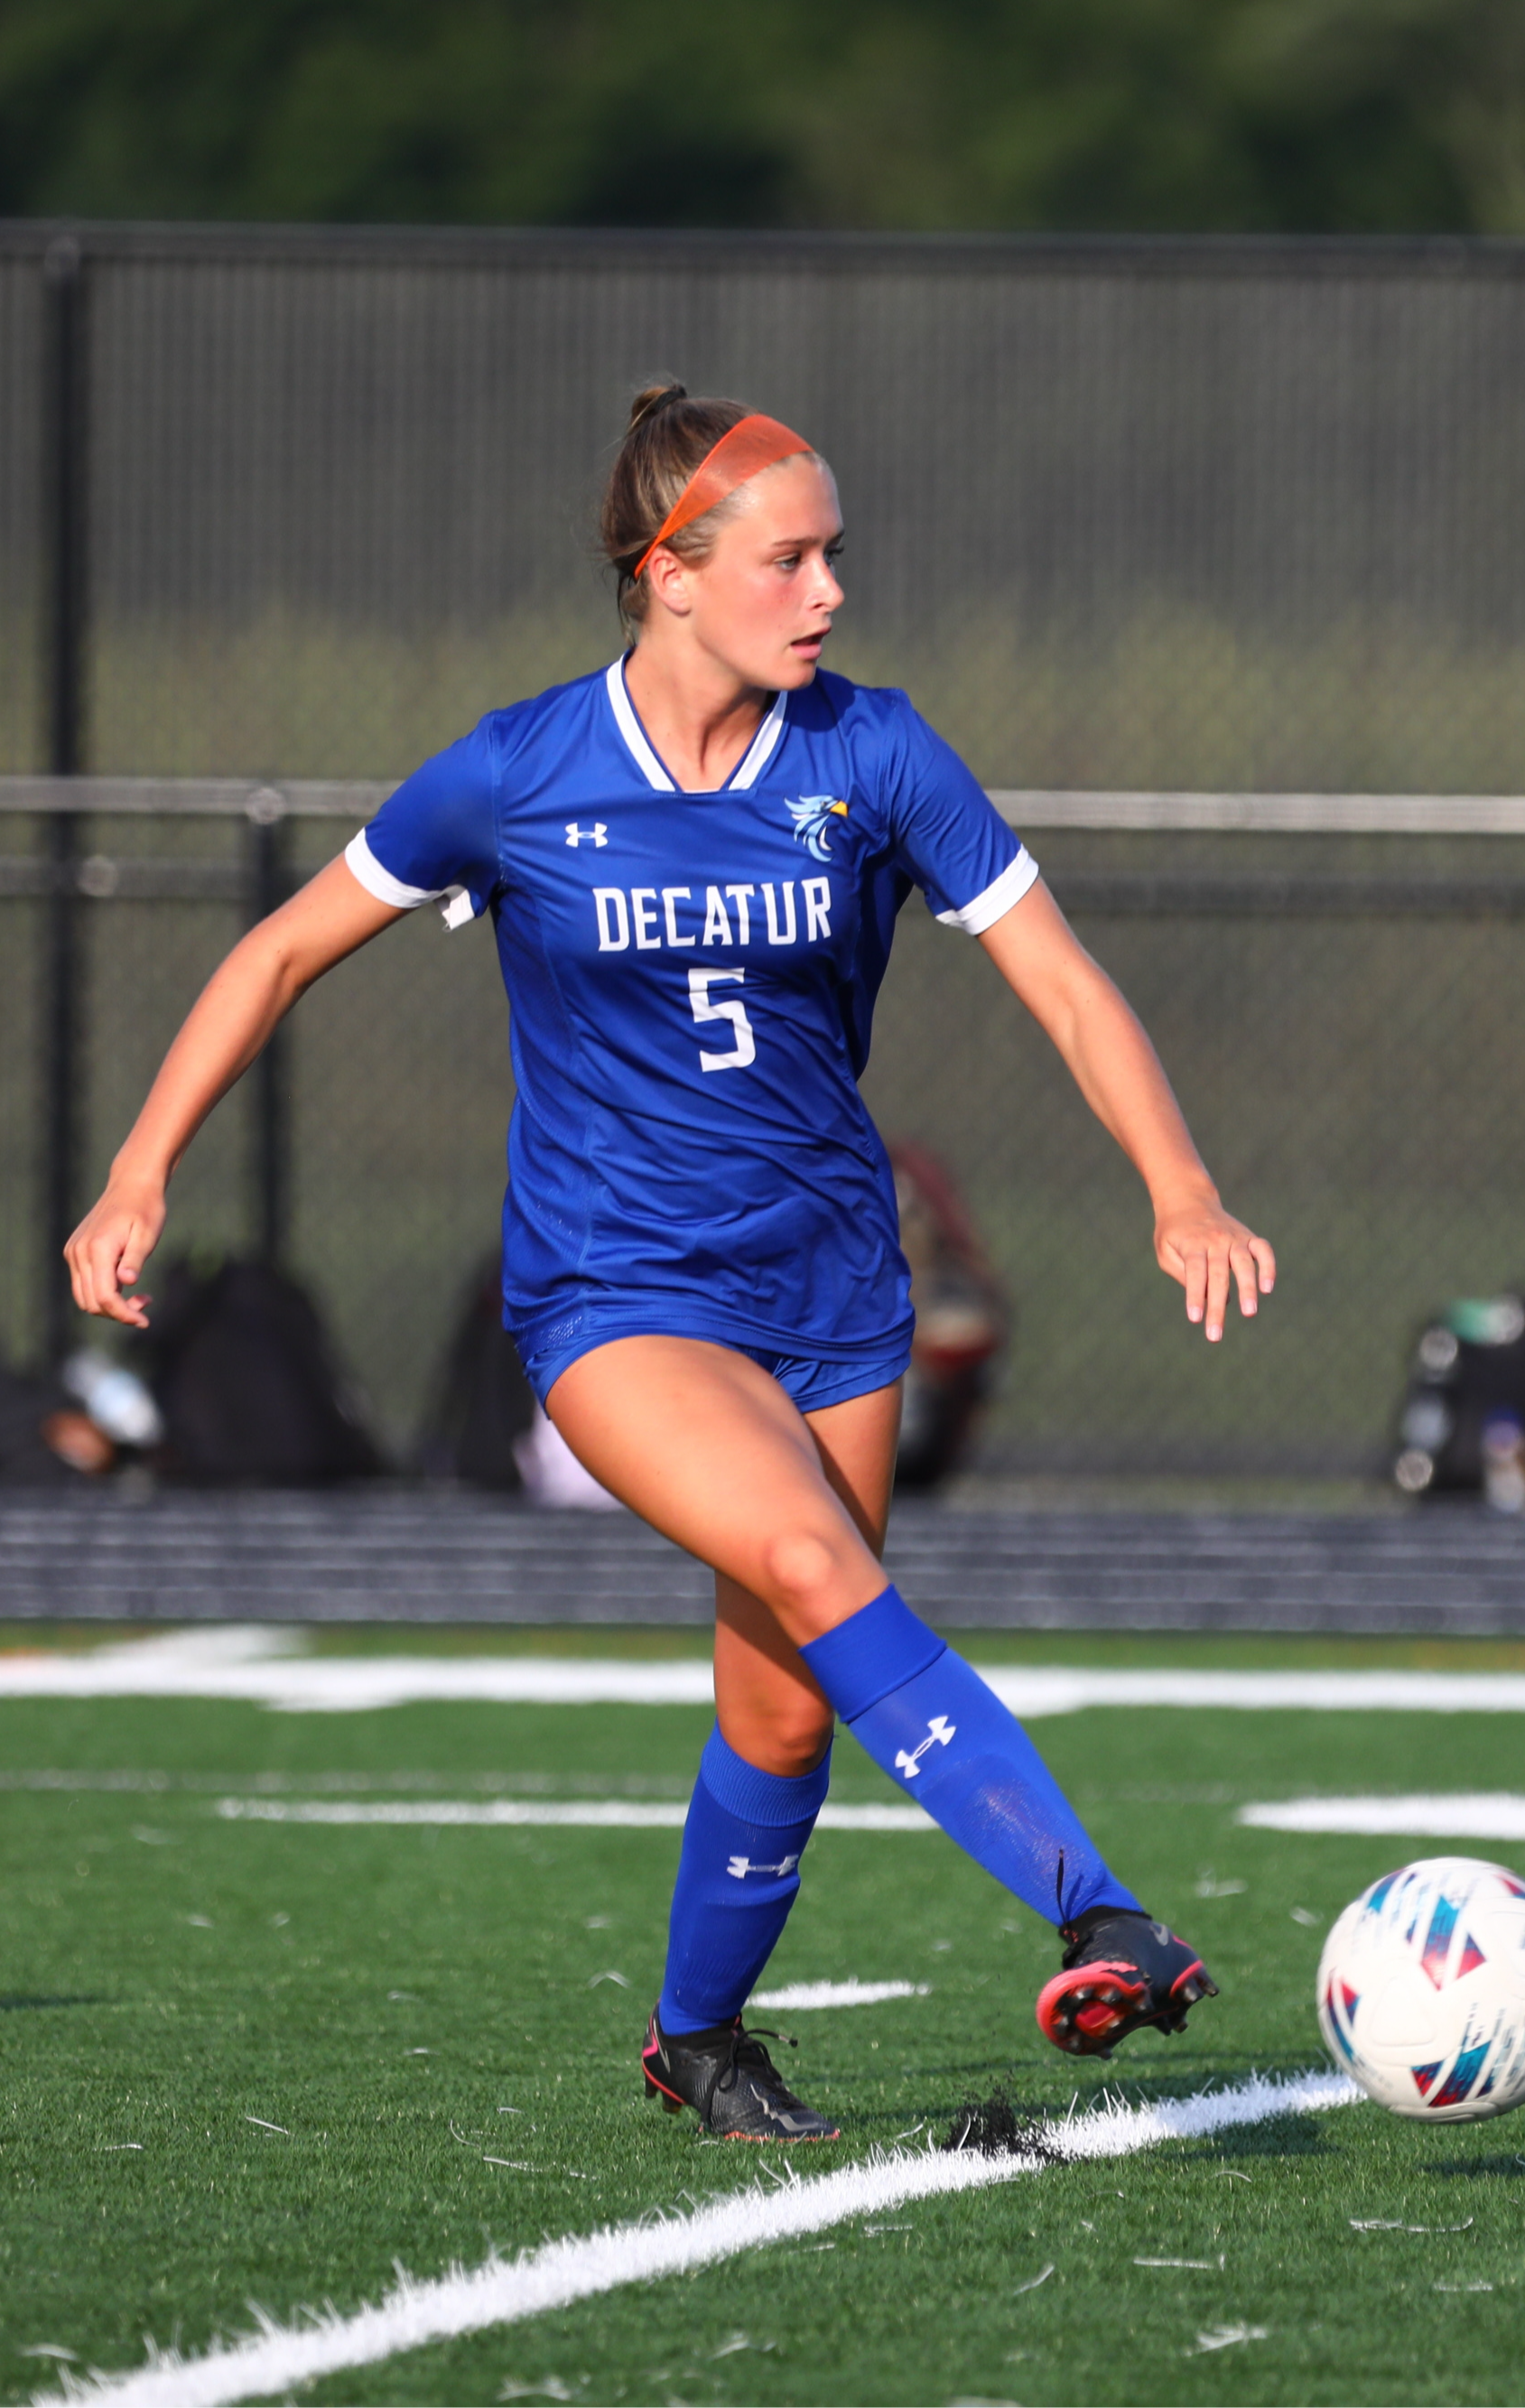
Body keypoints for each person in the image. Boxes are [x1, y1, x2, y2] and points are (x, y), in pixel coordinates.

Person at [67, 386, 1275, 2143]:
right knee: (802, 1555)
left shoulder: (872, 753)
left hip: (834, 1289)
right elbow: (278, 951)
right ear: (669, 573)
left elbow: (1064, 981)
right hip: (614, 1294)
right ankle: (1095, 1907)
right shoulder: (519, 770)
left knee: (784, 1702)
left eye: (834, 554)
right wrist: (136, 1166)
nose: (826, 591)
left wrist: (1177, 1182)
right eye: (789, 557)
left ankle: (696, 2036)